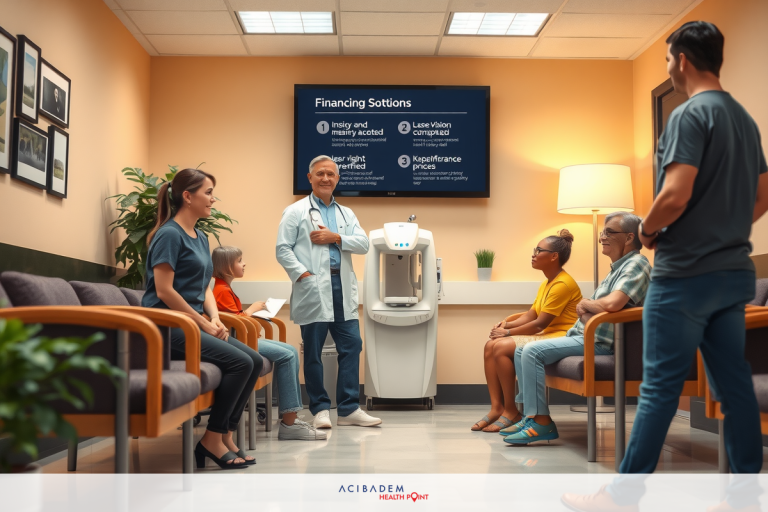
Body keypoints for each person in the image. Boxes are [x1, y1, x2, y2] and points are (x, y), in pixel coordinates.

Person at [619, 21, 768, 474]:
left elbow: (675, 193)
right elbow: (763, 196)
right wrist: (723, 228)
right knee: (735, 386)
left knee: (658, 387)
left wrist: (646, 230)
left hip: (684, 275)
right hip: (732, 273)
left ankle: (623, 496)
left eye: (668, 59)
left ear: (682, 60)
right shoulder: (744, 120)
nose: (669, 67)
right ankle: (744, 496)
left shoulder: (688, 115)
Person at [142, 168, 263, 469]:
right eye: (208, 193)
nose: (212, 199)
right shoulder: (169, 235)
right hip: (167, 328)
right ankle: (211, 439)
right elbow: (164, 291)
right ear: (187, 196)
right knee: (240, 363)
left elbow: (205, 286)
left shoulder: (201, 236)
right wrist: (201, 321)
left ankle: (223, 435)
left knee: (254, 360)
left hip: (192, 324)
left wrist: (215, 317)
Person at [504, 212, 651, 444]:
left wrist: (587, 304)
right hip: (587, 336)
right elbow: (602, 307)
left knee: (531, 351)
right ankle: (531, 416)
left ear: (629, 237)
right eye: (602, 232)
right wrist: (591, 308)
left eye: (609, 232)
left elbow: (613, 304)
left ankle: (542, 423)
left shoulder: (637, 264)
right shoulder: (617, 268)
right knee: (522, 350)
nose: (602, 237)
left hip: (601, 343)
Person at [276, 155, 381, 429]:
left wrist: (335, 237)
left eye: (331, 174)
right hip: (313, 287)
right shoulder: (295, 211)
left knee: (352, 346)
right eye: (320, 174)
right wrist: (302, 274)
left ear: (337, 179)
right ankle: (320, 409)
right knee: (313, 351)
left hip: (341, 287)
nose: (325, 178)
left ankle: (348, 409)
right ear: (310, 178)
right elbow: (282, 249)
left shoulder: (346, 213)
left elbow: (363, 244)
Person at [211, 245, 327, 441]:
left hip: (241, 337)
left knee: (290, 350)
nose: (244, 264)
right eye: (239, 261)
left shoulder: (224, 288)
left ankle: (290, 416)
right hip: (236, 341)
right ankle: (289, 423)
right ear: (226, 266)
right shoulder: (221, 290)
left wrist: (250, 315)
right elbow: (237, 320)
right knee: (288, 355)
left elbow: (234, 317)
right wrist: (252, 310)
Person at [471, 230, 582, 432]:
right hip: (547, 333)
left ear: (554, 256)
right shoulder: (547, 283)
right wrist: (504, 325)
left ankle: (511, 411)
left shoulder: (563, 284)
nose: (534, 254)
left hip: (561, 336)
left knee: (500, 347)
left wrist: (507, 334)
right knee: (490, 345)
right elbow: (531, 315)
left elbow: (540, 324)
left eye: (539, 250)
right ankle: (497, 408)